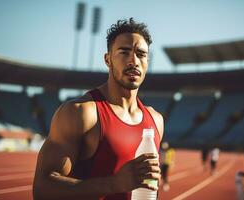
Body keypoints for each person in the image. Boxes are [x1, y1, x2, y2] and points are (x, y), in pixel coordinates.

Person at [33, 18, 164, 200]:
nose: (133, 61)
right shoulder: (81, 112)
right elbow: (42, 188)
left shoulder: (155, 120)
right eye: (124, 52)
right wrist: (114, 184)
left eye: (141, 54)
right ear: (108, 59)